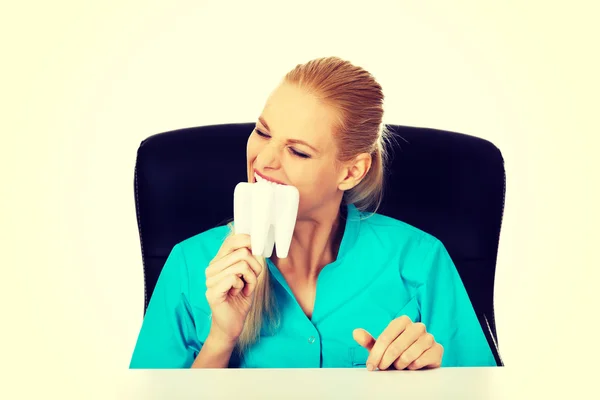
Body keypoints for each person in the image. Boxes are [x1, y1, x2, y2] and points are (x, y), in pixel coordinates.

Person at [129, 56, 497, 370]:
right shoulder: (189, 264)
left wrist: (437, 376)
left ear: (351, 171)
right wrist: (222, 338)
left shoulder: (419, 259)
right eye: (262, 132)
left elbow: (482, 389)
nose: (264, 160)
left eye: (298, 151)